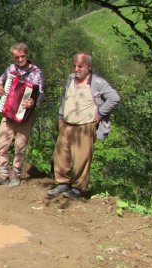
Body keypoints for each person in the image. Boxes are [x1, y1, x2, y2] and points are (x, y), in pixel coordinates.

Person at [47, 53, 120, 199]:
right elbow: (65, 98)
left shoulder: (98, 83)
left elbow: (114, 98)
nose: (76, 69)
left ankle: (78, 188)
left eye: (80, 66)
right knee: (61, 155)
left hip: (85, 126)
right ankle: (62, 183)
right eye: (74, 65)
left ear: (89, 67)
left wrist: (99, 113)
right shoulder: (70, 79)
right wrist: (61, 116)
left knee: (81, 158)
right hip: (67, 124)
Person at [0, 43, 45, 188]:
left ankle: (16, 174)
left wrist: (33, 102)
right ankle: (3, 173)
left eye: (23, 56)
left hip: (25, 116)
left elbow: (41, 95)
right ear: (13, 57)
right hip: (8, 113)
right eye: (17, 57)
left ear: (27, 55)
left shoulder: (37, 73)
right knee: (1, 143)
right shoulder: (11, 69)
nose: (20, 59)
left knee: (20, 146)